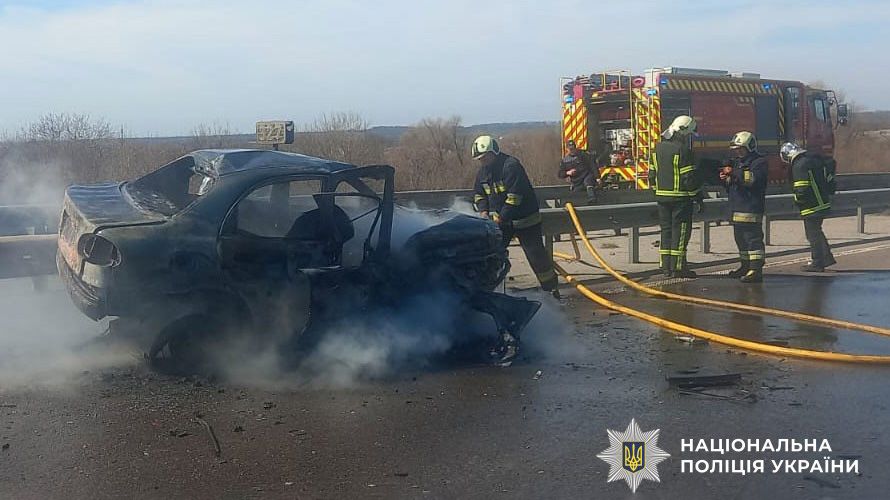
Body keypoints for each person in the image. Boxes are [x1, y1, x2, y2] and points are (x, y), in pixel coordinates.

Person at [472, 135, 559, 365]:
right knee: (493, 256)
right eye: (480, 158)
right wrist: (483, 211)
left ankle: (551, 290)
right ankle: (490, 294)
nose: (483, 161)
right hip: (501, 222)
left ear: (494, 153)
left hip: (525, 220)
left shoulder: (511, 166)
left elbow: (514, 197)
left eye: (485, 157)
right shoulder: (483, 172)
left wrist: (500, 218)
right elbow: (479, 194)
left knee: (535, 256)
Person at [651, 115, 704, 278]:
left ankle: (666, 267)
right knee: (680, 233)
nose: (688, 138)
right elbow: (688, 179)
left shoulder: (657, 149)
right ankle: (679, 268)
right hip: (680, 199)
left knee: (666, 232)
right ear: (683, 132)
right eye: (688, 135)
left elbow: (651, 175)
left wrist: (658, 191)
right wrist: (697, 197)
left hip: (662, 199)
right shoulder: (683, 151)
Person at [780, 142, 836, 271]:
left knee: (813, 235)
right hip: (821, 202)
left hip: (811, 205)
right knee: (817, 232)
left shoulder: (799, 165)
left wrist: (798, 201)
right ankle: (826, 258)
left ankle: (817, 263)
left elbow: (801, 187)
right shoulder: (810, 160)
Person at [720, 131, 768, 283]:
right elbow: (732, 185)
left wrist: (733, 173)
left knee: (753, 240)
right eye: (736, 150)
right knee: (740, 240)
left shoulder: (759, 162)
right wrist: (725, 178)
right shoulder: (737, 162)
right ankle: (745, 266)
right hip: (736, 208)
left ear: (750, 147)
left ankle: (756, 269)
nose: (738, 152)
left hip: (750, 208)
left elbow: (752, 180)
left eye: (740, 149)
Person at [558, 139, 599, 204]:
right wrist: (567, 173)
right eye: (570, 149)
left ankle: (592, 198)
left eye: (573, 148)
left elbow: (592, 165)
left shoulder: (583, 155)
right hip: (577, 182)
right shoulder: (565, 160)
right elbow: (560, 174)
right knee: (577, 193)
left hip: (587, 176)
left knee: (588, 182)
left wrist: (597, 177)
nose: (572, 150)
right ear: (567, 149)